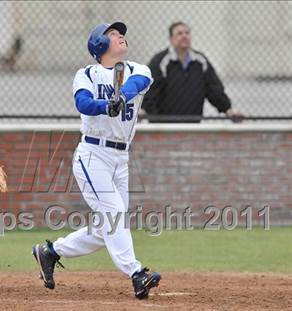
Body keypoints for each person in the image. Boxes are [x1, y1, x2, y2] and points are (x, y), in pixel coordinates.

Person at [32, 22, 161, 300]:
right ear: (99, 44)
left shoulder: (138, 69)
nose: (120, 35)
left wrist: (120, 96)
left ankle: (50, 251)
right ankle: (137, 274)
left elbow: (138, 84)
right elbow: (83, 103)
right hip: (94, 155)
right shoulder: (86, 73)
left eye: (120, 32)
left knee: (108, 229)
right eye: (113, 34)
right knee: (115, 215)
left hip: (121, 157)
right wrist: (106, 105)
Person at [142, 21, 243, 122]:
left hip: (193, 123)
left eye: (187, 33)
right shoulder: (161, 61)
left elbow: (214, 89)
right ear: (171, 39)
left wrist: (228, 109)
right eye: (179, 33)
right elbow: (150, 91)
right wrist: (145, 111)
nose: (184, 36)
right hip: (165, 124)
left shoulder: (200, 61)